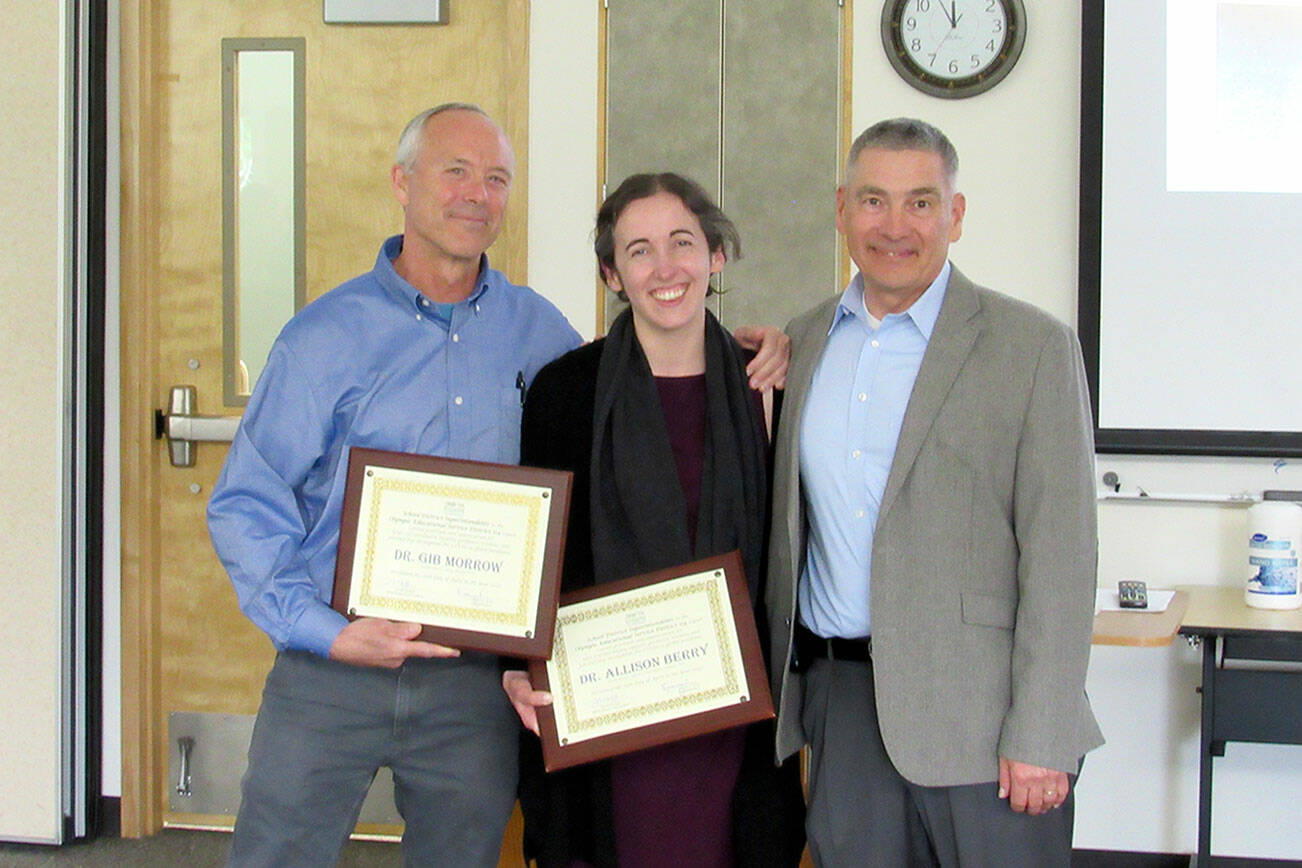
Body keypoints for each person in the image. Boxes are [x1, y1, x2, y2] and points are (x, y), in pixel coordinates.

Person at [207, 104, 789, 868]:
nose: (475, 194)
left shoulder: (540, 336)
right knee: (275, 857)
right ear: (402, 183)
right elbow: (246, 503)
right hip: (333, 666)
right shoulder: (323, 337)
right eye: (455, 171)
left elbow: (605, 463)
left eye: (496, 178)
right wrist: (325, 630)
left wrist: (765, 343)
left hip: (473, 683)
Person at [765, 118, 1104, 867]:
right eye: (873, 201)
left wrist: (1041, 732)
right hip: (843, 707)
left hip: (986, 723)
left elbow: (1063, 554)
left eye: (920, 203)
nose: (894, 226)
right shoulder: (805, 339)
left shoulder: (1033, 347)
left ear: (955, 213)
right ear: (842, 209)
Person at [502, 173, 805, 868]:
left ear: (715, 257)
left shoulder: (769, 387)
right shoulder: (564, 393)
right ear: (613, 272)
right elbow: (534, 556)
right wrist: (513, 667)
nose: (665, 268)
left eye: (682, 243)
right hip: (606, 715)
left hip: (733, 716)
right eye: (639, 251)